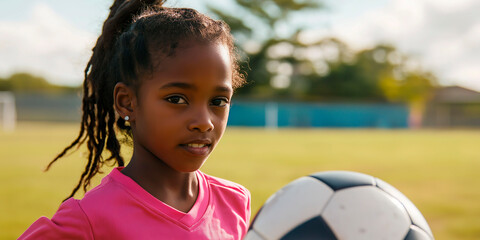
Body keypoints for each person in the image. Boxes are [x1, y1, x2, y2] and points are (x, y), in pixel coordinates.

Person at [19, 0, 250, 239]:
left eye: (219, 101)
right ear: (127, 102)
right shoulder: (90, 218)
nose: (204, 122)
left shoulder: (234, 202)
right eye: (177, 99)